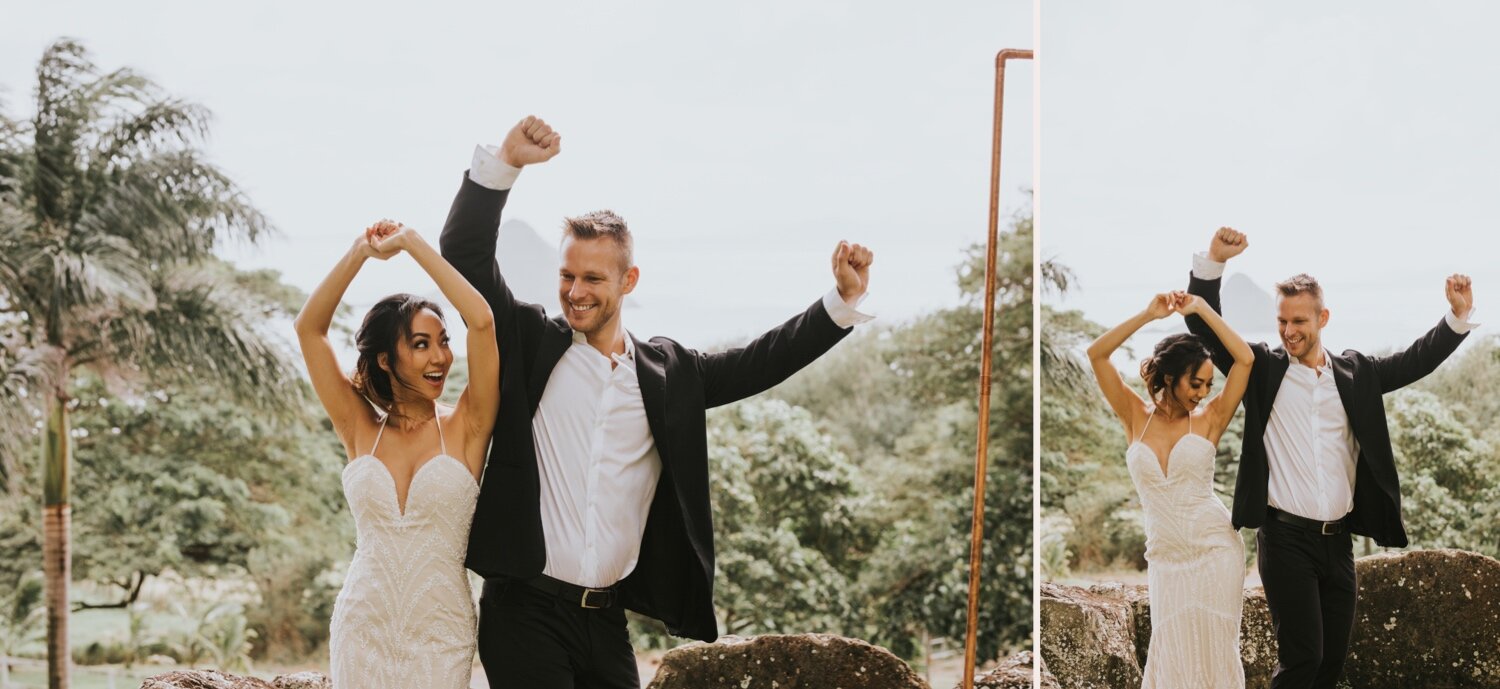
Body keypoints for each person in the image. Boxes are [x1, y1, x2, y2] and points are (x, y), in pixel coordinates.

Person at [438, 115, 874, 689]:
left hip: (607, 621)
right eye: (567, 275)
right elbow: (463, 252)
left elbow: (761, 361)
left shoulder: (669, 375)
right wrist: (506, 163)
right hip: (523, 609)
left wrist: (840, 302)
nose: (575, 291)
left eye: (593, 278)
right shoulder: (528, 341)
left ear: (629, 280)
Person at [1184, 227, 1476, 689]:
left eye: (1299, 321)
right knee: (1303, 661)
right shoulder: (1261, 370)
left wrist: (1456, 318)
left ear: (1323, 317)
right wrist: (1213, 265)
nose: (1288, 331)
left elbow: (1413, 361)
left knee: (1330, 664)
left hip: (1338, 544)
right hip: (1284, 540)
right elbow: (1204, 327)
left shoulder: (1356, 373)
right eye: (1282, 321)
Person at [293, 220, 499, 689]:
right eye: (421, 345)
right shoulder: (359, 426)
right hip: (362, 628)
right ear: (386, 359)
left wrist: (412, 244)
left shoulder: (467, 425)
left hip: (440, 634)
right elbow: (309, 329)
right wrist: (358, 253)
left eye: (443, 342)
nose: (440, 358)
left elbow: (483, 322)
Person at [1088, 290, 1254, 688]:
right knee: (1172, 656)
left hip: (1215, 551)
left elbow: (1246, 359)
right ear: (1168, 377)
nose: (1203, 393)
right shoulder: (1134, 416)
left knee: (1216, 655)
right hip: (1165, 559)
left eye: (1208, 384)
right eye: (1196, 383)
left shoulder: (1210, 417)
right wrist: (1148, 314)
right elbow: (1097, 354)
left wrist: (1200, 309)